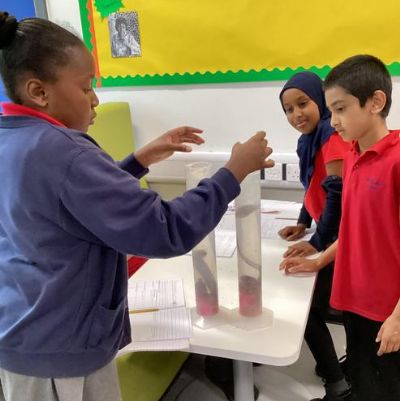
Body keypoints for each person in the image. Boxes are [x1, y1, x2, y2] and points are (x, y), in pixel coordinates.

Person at [0, 12, 274, 401]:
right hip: (59, 354)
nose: (95, 99)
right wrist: (234, 172)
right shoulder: (66, 152)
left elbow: (67, 204)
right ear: (39, 92)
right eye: (86, 87)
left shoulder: (14, 138)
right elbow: (166, 228)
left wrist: (139, 160)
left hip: (26, 333)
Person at [280, 55, 400, 401]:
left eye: (341, 109)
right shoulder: (352, 155)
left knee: (385, 386)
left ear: (375, 102)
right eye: (331, 110)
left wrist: (397, 318)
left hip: (387, 309)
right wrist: (319, 260)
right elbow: (354, 228)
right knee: (361, 375)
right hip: (355, 298)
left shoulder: (395, 161)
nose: (333, 121)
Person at [278, 72, 352, 401]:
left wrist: (316, 242)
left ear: (320, 101)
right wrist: (302, 221)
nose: (296, 114)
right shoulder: (307, 141)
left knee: (305, 307)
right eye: (288, 109)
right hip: (326, 231)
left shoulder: (329, 136)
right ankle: (335, 369)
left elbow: (336, 195)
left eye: (303, 104)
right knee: (311, 304)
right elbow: (313, 186)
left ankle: (337, 382)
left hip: (339, 237)